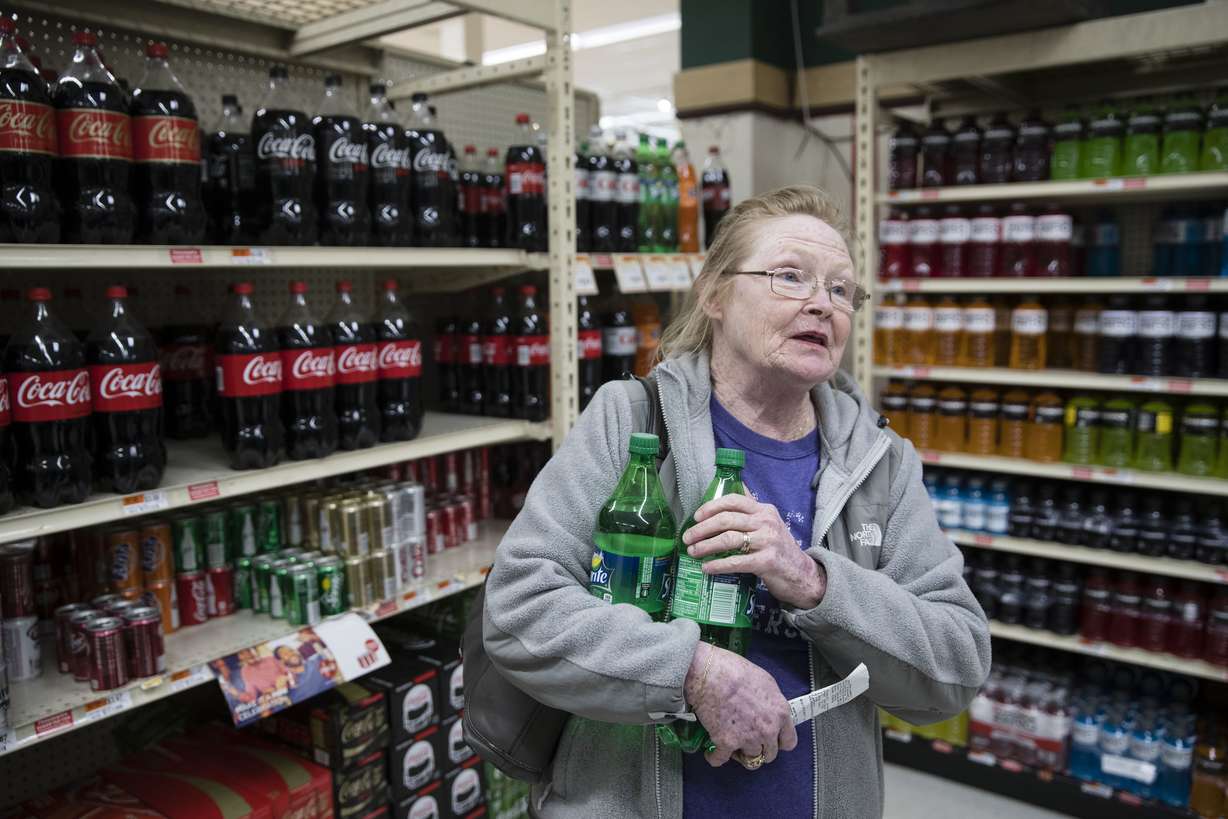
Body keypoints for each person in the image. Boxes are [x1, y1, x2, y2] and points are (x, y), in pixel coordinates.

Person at [482, 185, 991, 818]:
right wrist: (692, 672)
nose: (821, 305)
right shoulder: (633, 422)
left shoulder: (880, 464)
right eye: (789, 277)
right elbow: (519, 607)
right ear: (715, 293)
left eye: (840, 290)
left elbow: (958, 662)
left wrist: (812, 581)